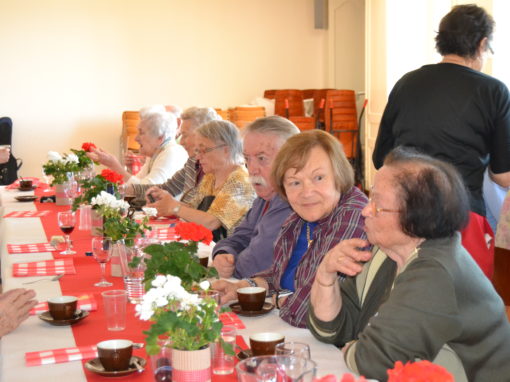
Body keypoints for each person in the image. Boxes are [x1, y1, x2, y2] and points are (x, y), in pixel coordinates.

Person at [308, 147, 510, 381]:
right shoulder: (382, 252)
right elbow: (335, 328)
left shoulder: (435, 272)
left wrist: (355, 347)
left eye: (376, 204)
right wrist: (325, 276)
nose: (365, 210)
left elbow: (374, 361)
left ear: (414, 216)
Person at [372, 5, 510, 278]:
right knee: (465, 299)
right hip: (460, 215)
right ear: (482, 44)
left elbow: (381, 158)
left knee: (409, 290)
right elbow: (503, 176)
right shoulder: (493, 91)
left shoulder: (406, 83)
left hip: (404, 213)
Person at [213, 130, 367, 328]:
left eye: (318, 178)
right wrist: (244, 287)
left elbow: (306, 311)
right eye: (295, 182)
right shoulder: (298, 218)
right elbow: (279, 274)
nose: (306, 192)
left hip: (334, 347)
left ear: (339, 175)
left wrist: (277, 300)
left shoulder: (352, 216)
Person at [212, 116, 300, 278]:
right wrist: (222, 254)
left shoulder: (290, 201)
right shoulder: (264, 199)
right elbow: (239, 237)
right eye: (247, 159)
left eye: (261, 158)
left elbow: (255, 265)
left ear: (290, 160)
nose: (252, 169)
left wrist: (230, 264)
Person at [147, 120, 256, 241]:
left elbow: (212, 222)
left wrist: (174, 208)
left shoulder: (240, 181)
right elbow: (193, 209)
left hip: (228, 254)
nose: (198, 157)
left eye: (204, 150)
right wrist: (167, 201)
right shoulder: (211, 177)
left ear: (226, 150)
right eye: (197, 151)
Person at [130, 107, 220, 205]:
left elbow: (210, 216)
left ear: (203, 136)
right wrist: (128, 189)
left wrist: (175, 208)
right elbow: (167, 188)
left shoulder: (220, 170)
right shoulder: (192, 162)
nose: (181, 142)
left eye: (185, 135)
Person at [87, 105, 188, 186]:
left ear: (160, 137)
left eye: (141, 132)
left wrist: (114, 165)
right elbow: (137, 184)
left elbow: (147, 191)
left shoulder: (172, 153)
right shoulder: (156, 153)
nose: (136, 138)